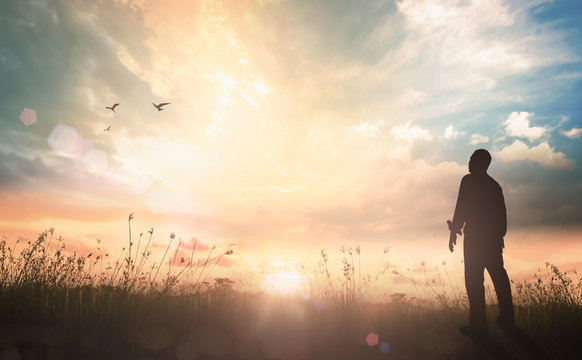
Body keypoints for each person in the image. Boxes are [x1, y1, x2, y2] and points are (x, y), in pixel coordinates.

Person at [448, 149, 514, 337]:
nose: (468, 162)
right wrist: (499, 235)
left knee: (474, 281)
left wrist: (454, 232)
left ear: (480, 163)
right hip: (492, 240)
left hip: (475, 239)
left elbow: (460, 208)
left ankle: (478, 326)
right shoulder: (494, 186)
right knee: (498, 277)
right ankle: (507, 319)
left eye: (472, 159)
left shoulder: (467, 181)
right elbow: (502, 217)